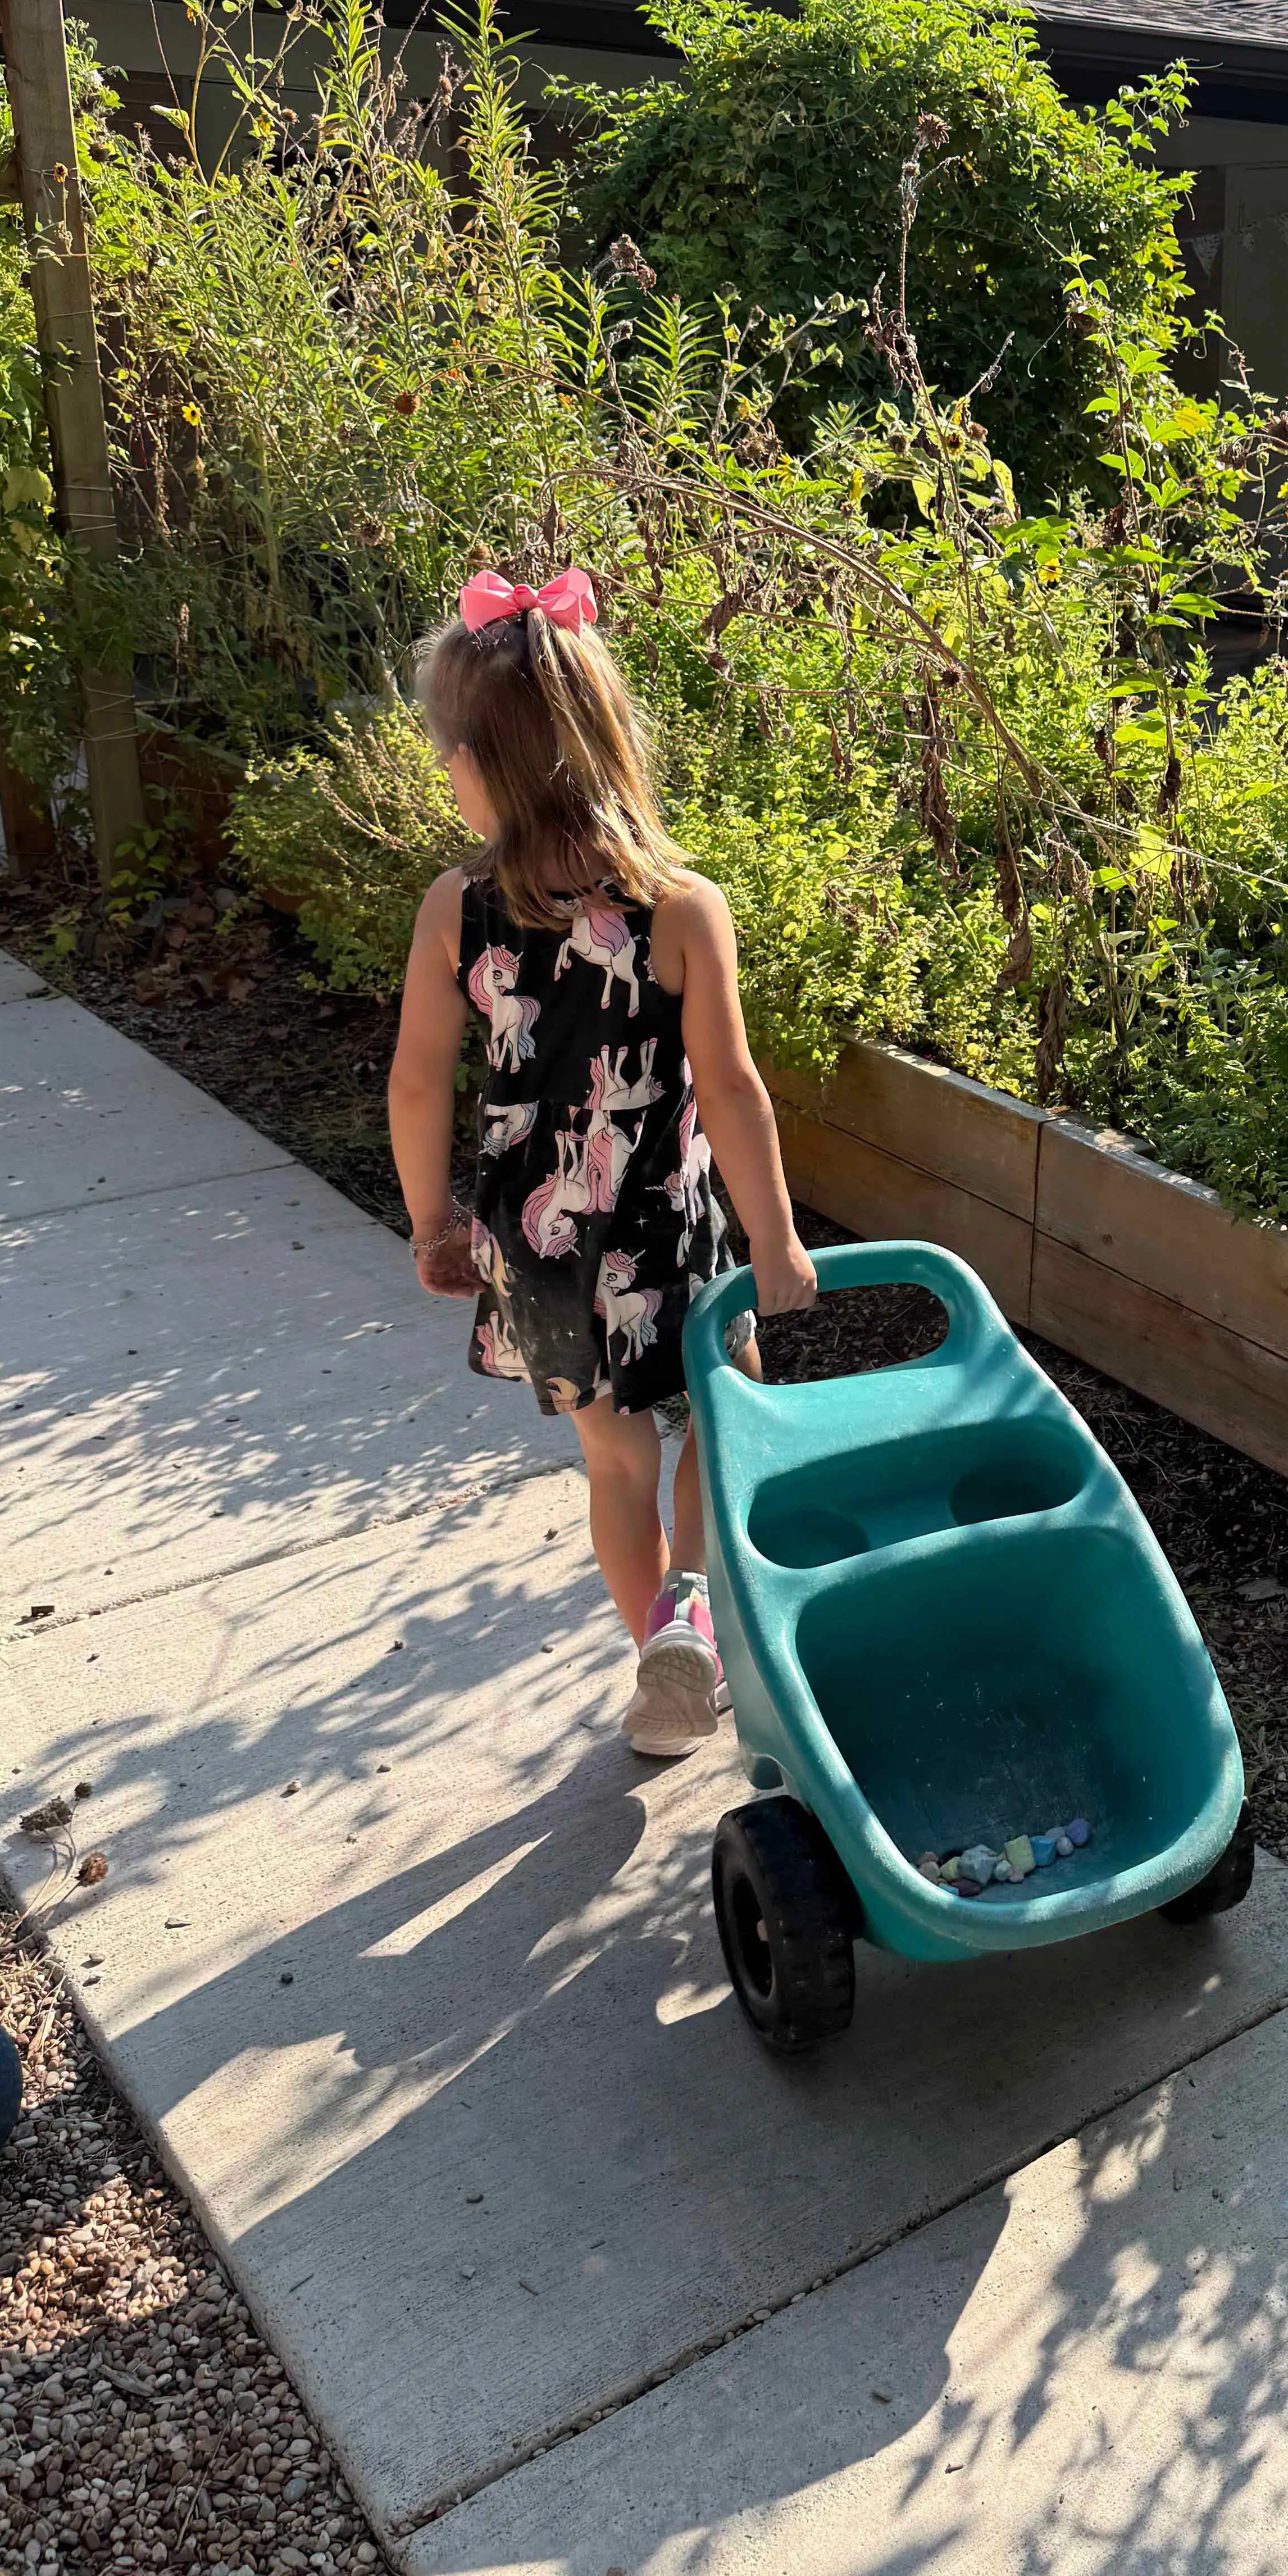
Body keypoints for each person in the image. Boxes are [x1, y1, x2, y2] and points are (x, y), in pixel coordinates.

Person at [386, 565, 817, 1756]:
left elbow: (417, 1082)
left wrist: (433, 1224)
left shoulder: (456, 908)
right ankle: (693, 1618)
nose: (444, 773)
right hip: (673, 1230)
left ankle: (659, 1661)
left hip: (539, 1246)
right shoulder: (683, 908)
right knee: (722, 1426)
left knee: (615, 1466)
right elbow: (732, 1089)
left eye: (449, 755)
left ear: (484, 766)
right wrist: (777, 1239)